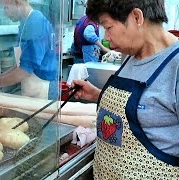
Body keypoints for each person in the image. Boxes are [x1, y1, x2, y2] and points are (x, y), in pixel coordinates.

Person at [71, 0, 179, 179]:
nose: (106, 37)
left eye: (108, 27)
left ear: (137, 17)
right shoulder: (130, 55)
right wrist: (97, 94)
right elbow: (149, 109)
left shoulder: (175, 65)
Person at [0, 0, 58, 100]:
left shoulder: (35, 23)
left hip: (43, 87)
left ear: (17, 3)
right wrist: (0, 79)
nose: (4, 13)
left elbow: (25, 71)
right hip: (33, 86)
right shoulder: (25, 23)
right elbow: (22, 63)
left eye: (6, 7)